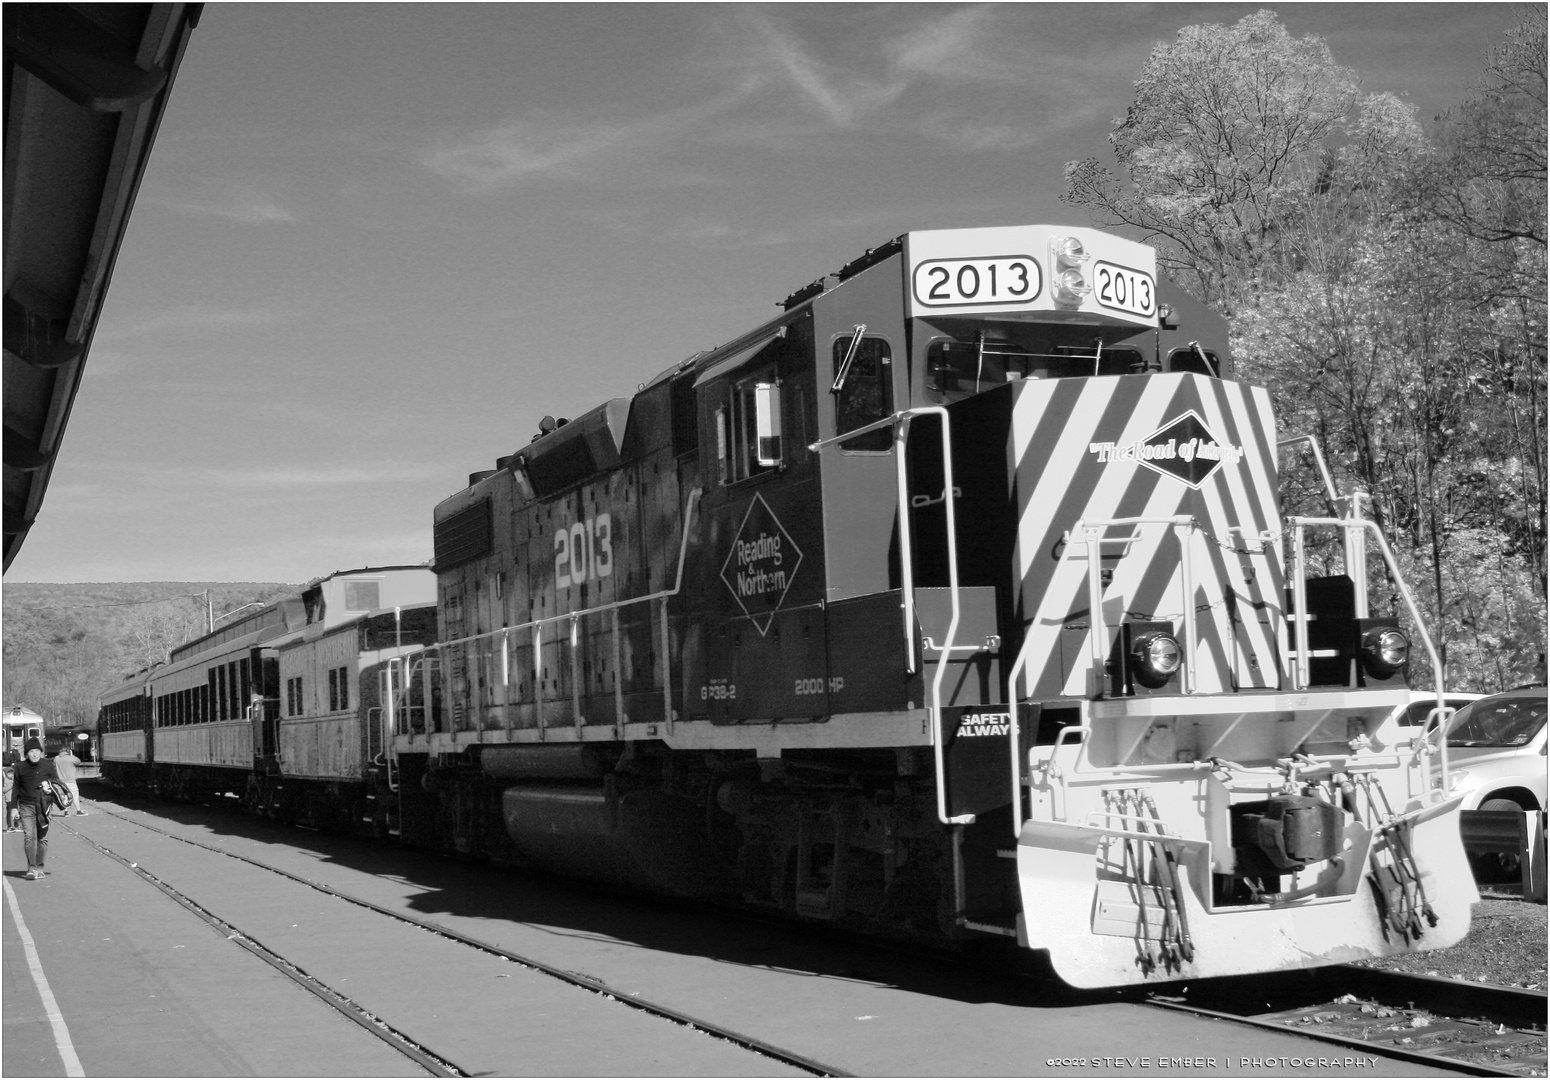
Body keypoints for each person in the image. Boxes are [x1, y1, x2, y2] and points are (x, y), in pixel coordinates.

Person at [13, 738, 57, 879]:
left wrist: (50, 791)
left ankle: (40, 867)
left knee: (42, 839)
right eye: (31, 751)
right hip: (26, 806)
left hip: (43, 806)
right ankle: (31, 868)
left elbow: (57, 784)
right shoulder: (20, 767)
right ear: (26, 754)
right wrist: (14, 807)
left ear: (41, 752)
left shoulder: (48, 765)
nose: (34, 754)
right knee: (29, 837)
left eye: (37, 751)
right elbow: (15, 788)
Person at [52, 745, 85, 815]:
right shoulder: (71, 758)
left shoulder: (56, 758)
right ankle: (78, 811)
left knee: (65, 796)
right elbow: (78, 761)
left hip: (61, 781)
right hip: (71, 781)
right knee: (75, 795)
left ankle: (66, 811)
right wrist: (72, 755)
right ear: (68, 751)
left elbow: (54, 765)